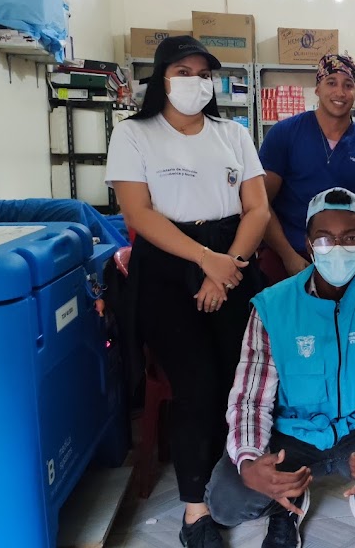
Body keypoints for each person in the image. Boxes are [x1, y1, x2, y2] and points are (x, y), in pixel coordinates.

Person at [204, 188, 355, 548]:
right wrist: (249, 460)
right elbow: (250, 400)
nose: (337, 248)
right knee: (228, 502)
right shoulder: (272, 308)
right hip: (292, 435)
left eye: (350, 238)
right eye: (324, 238)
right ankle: (287, 503)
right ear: (308, 244)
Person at [104, 35, 269, 547]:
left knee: (241, 379)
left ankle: (236, 477)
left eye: (203, 74)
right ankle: (196, 512)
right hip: (168, 267)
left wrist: (227, 268)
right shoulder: (133, 134)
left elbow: (258, 209)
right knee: (196, 384)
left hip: (232, 258)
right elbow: (138, 214)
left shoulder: (233, 134)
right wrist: (204, 262)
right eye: (183, 72)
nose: (195, 82)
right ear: (161, 78)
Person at [257, 54, 355, 285]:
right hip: (288, 251)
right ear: (317, 88)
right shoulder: (284, 134)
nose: (340, 92)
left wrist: (354, 256)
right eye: (331, 83)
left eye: (348, 85)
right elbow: (260, 202)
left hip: (344, 255)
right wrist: (288, 256)